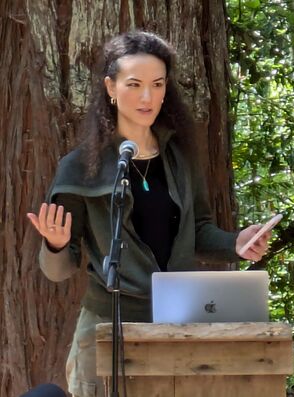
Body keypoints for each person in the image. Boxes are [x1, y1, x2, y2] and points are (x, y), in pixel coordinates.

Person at [27, 31, 270, 397]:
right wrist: (56, 245)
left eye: (157, 85)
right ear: (110, 87)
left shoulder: (179, 157)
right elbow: (57, 271)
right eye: (134, 84)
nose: (147, 97)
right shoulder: (79, 168)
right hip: (107, 327)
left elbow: (199, 231)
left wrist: (234, 244)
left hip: (178, 323)